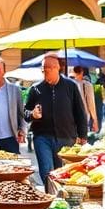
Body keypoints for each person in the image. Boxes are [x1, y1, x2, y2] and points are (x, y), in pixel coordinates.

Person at [24, 53, 88, 184]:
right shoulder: (36, 89)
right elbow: (25, 112)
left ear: (56, 68)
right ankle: (51, 197)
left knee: (62, 173)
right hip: (42, 137)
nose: (43, 72)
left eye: (46, 69)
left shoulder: (70, 86)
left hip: (66, 137)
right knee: (46, 171)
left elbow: (80, 112)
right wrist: (32, 114)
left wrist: (83, 135)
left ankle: (60, 200)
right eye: (42, 69)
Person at [70, 65, 99, 137]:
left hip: (70, 115)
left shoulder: (68, 84)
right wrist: (95, 120)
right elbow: (91, 104)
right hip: (83, 115)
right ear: (82, 72)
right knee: (82, 138)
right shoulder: (87, 85)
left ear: (73, 72)